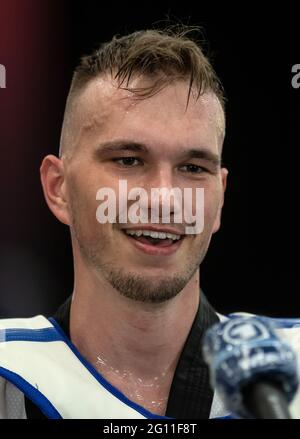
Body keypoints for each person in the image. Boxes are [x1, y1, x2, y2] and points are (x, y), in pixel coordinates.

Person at [0, 25, 299, 420]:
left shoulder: (289, 367)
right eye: (128, 160)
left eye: (193, 167)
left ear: (220, 197)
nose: (163, 197)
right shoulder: (10, 375)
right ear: (59, 188)